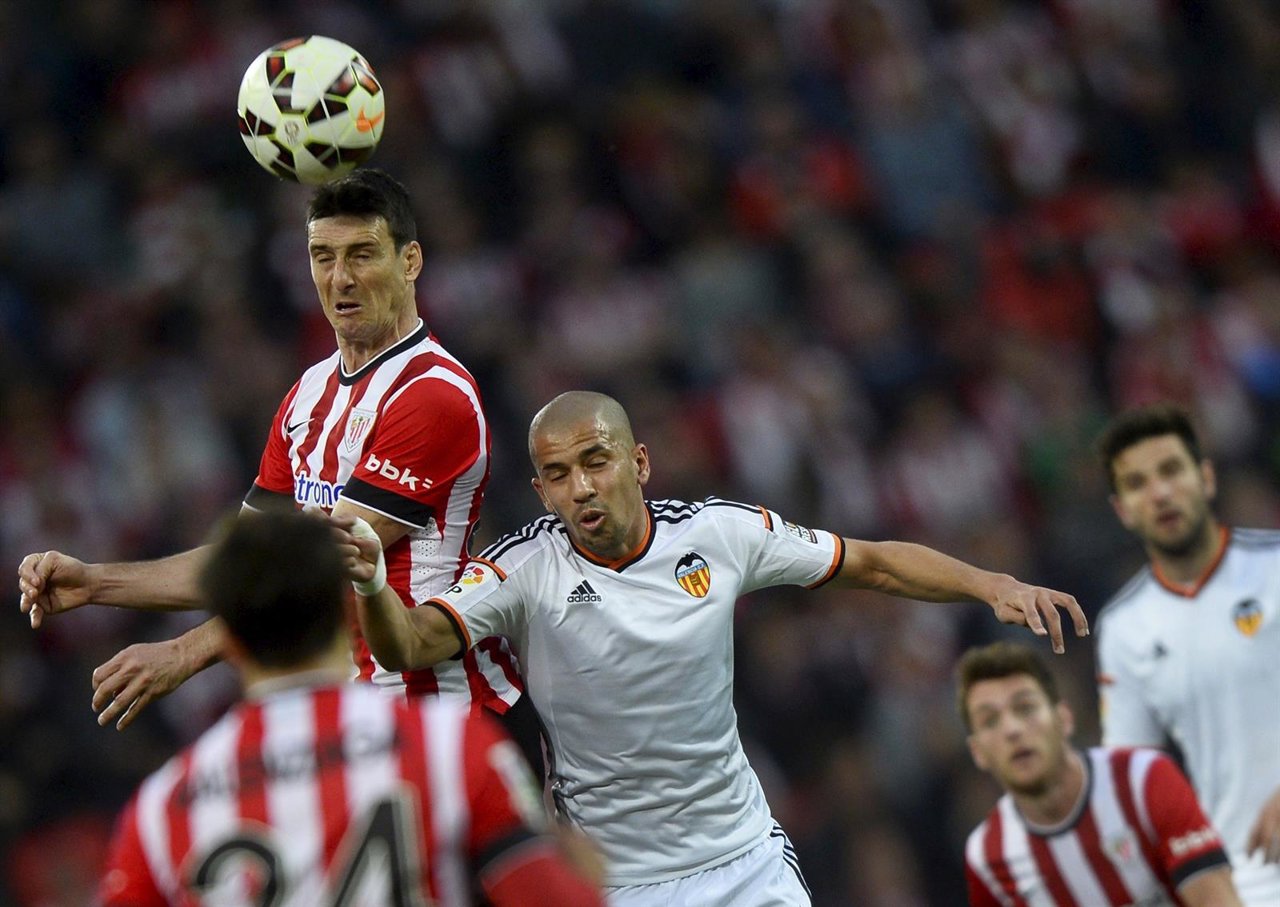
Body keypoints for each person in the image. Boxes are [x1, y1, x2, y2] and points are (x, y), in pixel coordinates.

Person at [342, 390, 1090, 905]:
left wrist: (989, 584)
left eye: (596, 461)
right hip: (616, 880)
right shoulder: (522, 569)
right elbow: (409, 643)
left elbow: (872, 561)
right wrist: (376, 580)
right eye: (559, 475)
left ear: (638, 462)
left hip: (742, 859)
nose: (581, 487)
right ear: (541, 490)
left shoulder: (718, 535)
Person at [15, 168, 535, 761]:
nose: (340, 278)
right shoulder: (308, 394)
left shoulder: (434, 394)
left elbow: (322, 567)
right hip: (355, 726)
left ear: (410, 260)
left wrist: (185, 653)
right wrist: (99, 582)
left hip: (450, 713)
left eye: (362, 255)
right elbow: (248, 559)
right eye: (322, 256)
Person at [97, 510, 603, 906]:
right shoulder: (451, 748)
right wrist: (585, 869)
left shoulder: (163, 807)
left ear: (228, 638)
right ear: (345, 615)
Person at [1095, 402, 1280, 905]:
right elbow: (1134, 782)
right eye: (1136, 484)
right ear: (1122, 510)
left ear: (1206, 478)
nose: (1158, 492)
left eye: (1171, 470)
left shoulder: (1275, 566)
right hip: (1249, 879)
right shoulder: (1124, 629)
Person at [957, 640, 1240, 906]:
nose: (1012, 730)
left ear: (1064, 719)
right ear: (977, 752)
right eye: (990, 721)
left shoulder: (1142, 780)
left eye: (1025, 707)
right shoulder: (987, 856)